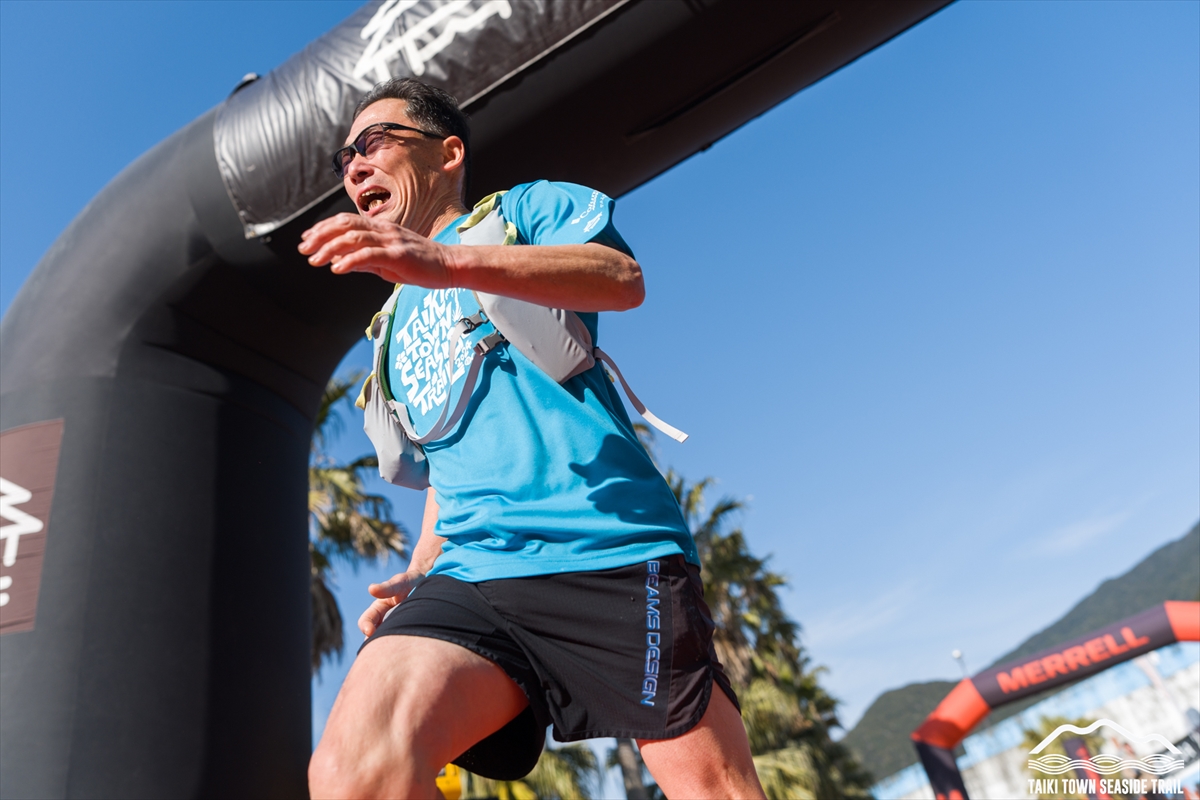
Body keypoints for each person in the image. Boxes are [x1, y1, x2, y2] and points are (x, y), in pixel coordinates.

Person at [301, 77, 765, 800]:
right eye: (345, 159)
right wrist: (421, 565)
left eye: (374, 142)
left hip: (605, 547)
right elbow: (447, 454)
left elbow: (621, 276)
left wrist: (444, 263)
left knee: (713, 788)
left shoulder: (521, 212)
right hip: (473, 570)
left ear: (448, 153)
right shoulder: (388, 326)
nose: (354, 166)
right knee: (353, 775)